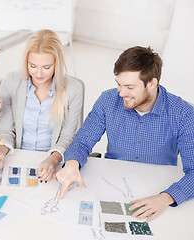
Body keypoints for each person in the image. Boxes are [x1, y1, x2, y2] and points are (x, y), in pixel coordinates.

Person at [56, 46, 194, 221]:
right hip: (112, 183)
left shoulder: (184, 114)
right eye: (118, 84)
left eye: (129, 87)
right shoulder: (107, 100)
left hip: (158, 187)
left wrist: (165, 198)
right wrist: (72, 163)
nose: (121, 93)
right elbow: (83, 141)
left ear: (152, 83)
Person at [0, 29, 84, 182]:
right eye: (33, 66)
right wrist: (0, 150)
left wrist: (53, 160)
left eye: (46, 67)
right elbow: (6, 130)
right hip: (17, 157)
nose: (39, 74)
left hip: (54, 160)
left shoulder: (73, 88)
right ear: (26, 62)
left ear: (56, 64)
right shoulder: (11, 82)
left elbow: (68, 137)